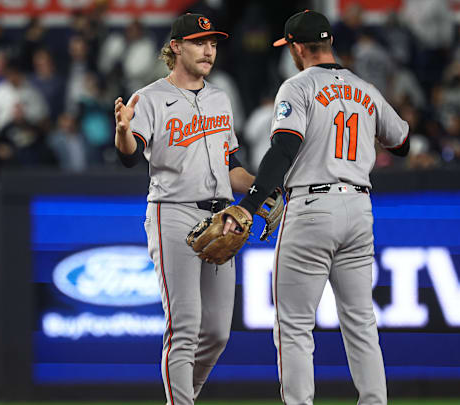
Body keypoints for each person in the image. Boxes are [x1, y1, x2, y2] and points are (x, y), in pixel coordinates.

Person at [223, 10, 410, 405]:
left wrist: (252, 202)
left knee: (293, 326)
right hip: (359, 208)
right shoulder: (366, 88)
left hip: (311, 206)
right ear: (327, 44)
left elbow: (284, 148)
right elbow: (403, 141)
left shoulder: (297, 86)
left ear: (296, 47)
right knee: (360, 322)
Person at [113, 13, 255, 405]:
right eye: (199, 42)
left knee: (217, 332)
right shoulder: (151, 97)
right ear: (176, 46)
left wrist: (263, 187)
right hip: (172, 211)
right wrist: (124, 131)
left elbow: (232, 167)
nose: (209, 50)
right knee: (186, 325)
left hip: (221, 215)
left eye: (213, 43)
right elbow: (128, 157)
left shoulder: (219, 97)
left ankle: (182, 397)